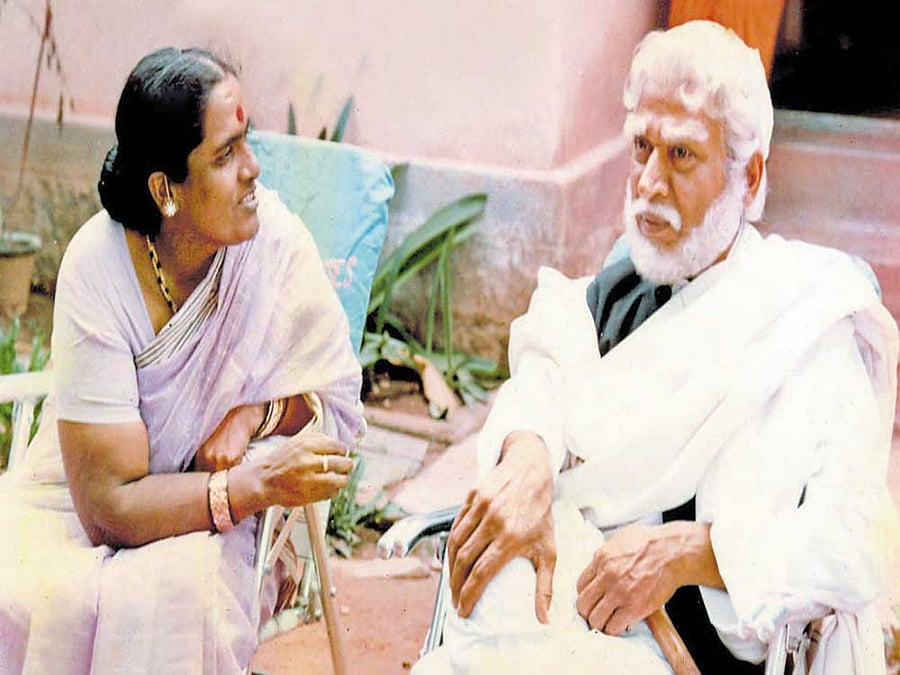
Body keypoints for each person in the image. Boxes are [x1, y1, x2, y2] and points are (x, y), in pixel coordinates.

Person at [417, 20, 900, 674]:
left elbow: (857, 545)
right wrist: (529, 452)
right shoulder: (622, 284)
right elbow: (546, 359)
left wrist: (692, 551)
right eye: (641, 146)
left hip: (691, 647)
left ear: (749, 174)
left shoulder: (804, 321)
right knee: (489, 576)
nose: (648, 183)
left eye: (681, 156)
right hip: (578, 603)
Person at [0, 47, 364, 673]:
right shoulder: (99, 267)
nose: (253, 171)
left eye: (246, 144)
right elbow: (109, 507)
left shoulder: (274, 245)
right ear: (166, 190)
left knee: (169, 601)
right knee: (32, 588)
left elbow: (325, 395)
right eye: (225, 156)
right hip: (80, 496)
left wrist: (253, 416)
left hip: (212, 522)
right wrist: (256, 484)